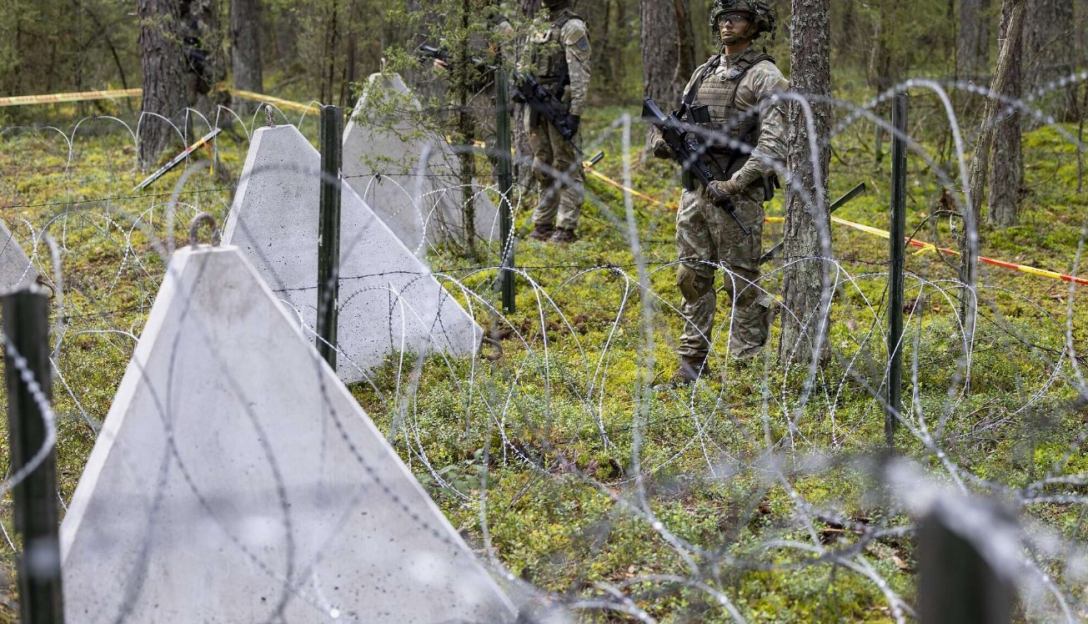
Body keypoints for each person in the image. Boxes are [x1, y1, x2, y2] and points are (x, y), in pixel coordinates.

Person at [651, 0, 788, 383]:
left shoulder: (766, 76)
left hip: (736, 196)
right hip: (695, 191)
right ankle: (692, 361)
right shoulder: (703, 71)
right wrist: (663, 139)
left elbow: (776, 142)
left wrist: (737, 182)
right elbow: (678, 121)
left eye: (737, 18)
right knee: (691, 278)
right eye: (723, 18)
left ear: (755, 25)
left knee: (741, 281)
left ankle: (746, 366)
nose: (728, 24)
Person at [524, 0, 591, 244]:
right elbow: (525, 64)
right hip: (535, 106)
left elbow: (580, 75)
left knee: (566, 166)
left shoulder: (572, 27)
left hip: (559, 107)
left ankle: (566, 227)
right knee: (542, 165)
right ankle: (543, 224)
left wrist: (575, 113)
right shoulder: (538, 25)